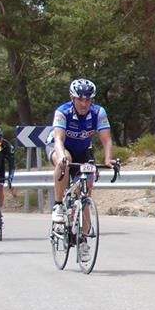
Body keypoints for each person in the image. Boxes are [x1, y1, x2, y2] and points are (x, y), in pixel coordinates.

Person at [49, 79, 115, 263]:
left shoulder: (98, 112)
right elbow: (59, 140)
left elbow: (106, 139)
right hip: (62, 148)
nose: (84, 103)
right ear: (73, 98)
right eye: (80, 99)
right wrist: (61, 156)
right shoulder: (62, 112)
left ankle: (83, 240)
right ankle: (58, 206)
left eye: (88, 100)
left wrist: (108, 159)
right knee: (65, 161)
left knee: (85, 195)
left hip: (84, 151)